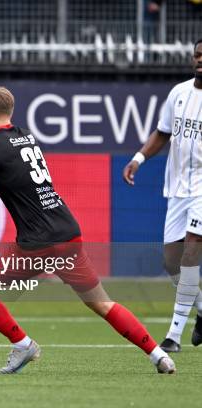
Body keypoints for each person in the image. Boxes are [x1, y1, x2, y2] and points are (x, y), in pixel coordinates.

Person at [0, 85, 176, 374]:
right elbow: (26, 183)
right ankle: (159, 355)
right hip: (68, 235)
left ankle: (22, 344)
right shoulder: (25, 138)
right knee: (103, 304)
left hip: (37, 245)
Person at [123, 38, 202, 353]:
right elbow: (163, 132)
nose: (200, 60)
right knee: (171, 262)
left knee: (191, 252)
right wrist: (139, 159)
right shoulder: (179, 93)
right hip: (177, 189)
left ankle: (174, 335)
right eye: (197, 54)